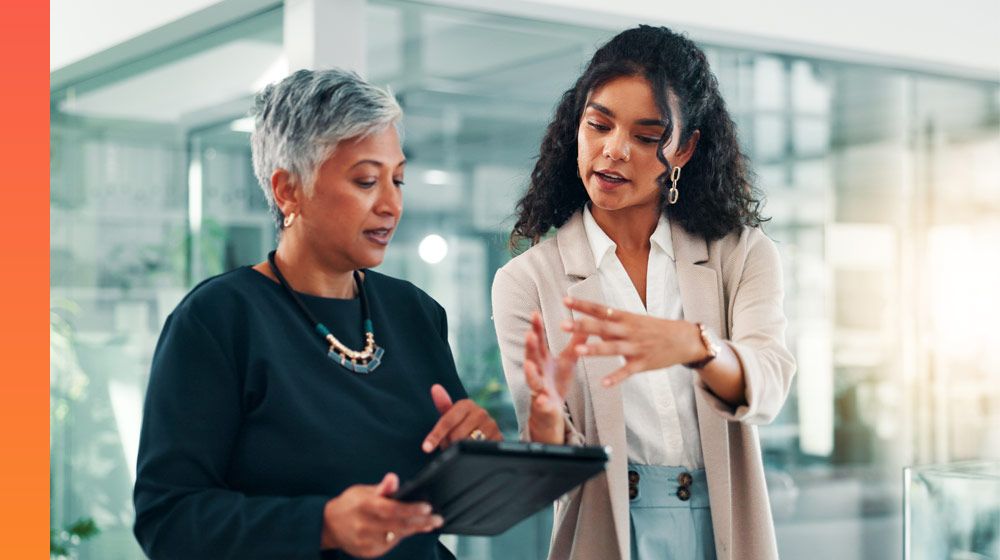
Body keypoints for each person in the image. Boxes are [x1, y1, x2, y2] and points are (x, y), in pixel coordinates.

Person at [133, 68, 502, 560]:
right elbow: (169, 521)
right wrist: (322, 524)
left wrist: (479, 451)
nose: (391, 204)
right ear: (288, 190)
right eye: (367, 180)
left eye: (398, 179)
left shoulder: (415, 313)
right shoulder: (219, 320)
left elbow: (444, 505)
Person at [492, 26, 796, 560]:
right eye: (599, 125)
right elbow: (549, 461)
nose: (614, 150)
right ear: (576, 127)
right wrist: (542, 420)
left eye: (646, 136)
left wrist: (698, 347)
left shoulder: (741, 254)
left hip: (723, 524)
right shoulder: (526, 281)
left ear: (685, 149)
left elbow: (769, 382)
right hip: (604, 529)